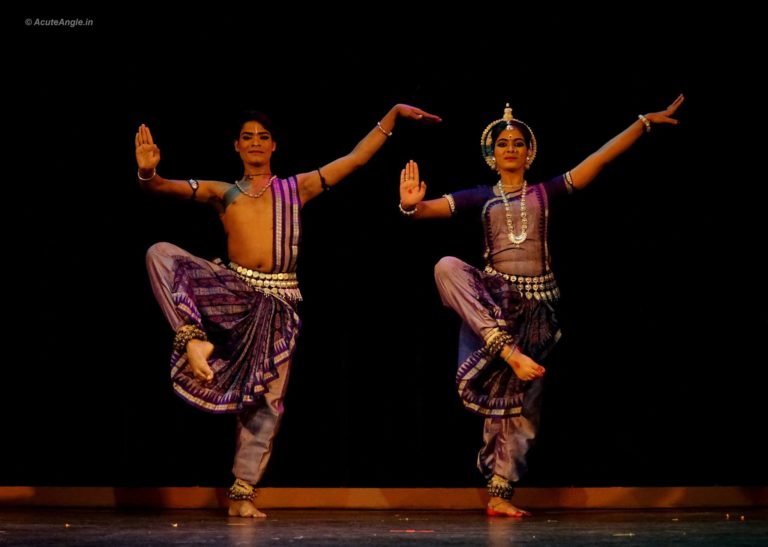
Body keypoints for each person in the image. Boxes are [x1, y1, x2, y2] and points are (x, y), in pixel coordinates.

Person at [135, 104, 440, 518]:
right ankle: (193, 339)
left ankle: (242, 495)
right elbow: (161, 189)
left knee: (268, 400)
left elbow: (354, 158)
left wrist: (391, 117)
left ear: (274, 145)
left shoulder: (296, 188)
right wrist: (149, 172)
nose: (255, 142)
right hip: (234, 292)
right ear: (236, 146)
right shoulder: (223, 193)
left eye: (263, 136)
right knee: (160, 253)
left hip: (278, 304)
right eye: (248, 137)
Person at [398, 94, 684, 517]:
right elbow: (423, 212)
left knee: (519, 409)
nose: (510, 148)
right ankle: (507, 352)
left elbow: (599, 159)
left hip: (536, 313)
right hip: (494, 307)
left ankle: (500, 494)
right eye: (502, 144)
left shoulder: (547, 192)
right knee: (446, 267)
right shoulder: (481, 198)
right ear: (490, 154)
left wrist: (642, 123)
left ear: (529, 152)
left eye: (517, 143)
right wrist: (409, 204)